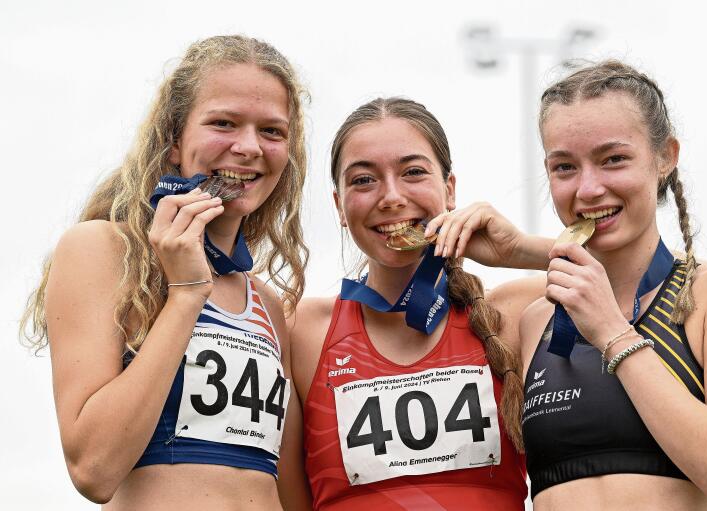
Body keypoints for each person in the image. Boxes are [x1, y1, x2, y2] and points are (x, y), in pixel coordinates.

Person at [435, 60, 707, 510]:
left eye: (613, 159)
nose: (589, 188)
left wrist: (612, 332)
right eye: (564, 168)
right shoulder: (532, 312)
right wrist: (519, 250)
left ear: (665, 157)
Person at [20, 35, 307, 510]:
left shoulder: (269, 307)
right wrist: (187, 292)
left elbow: (293, 491)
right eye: (223, 123)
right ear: (174, 140)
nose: (250, 146)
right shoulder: (102, 250)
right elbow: (93, 468)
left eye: (273, 131)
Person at [280, 97, 553, 510]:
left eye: (412, 172)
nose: (390, 197)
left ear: (449, 190)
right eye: (363, 180)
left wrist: (521, 249)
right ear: (338, 205)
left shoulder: (511, 315)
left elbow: (638, 274)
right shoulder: (303, 329)